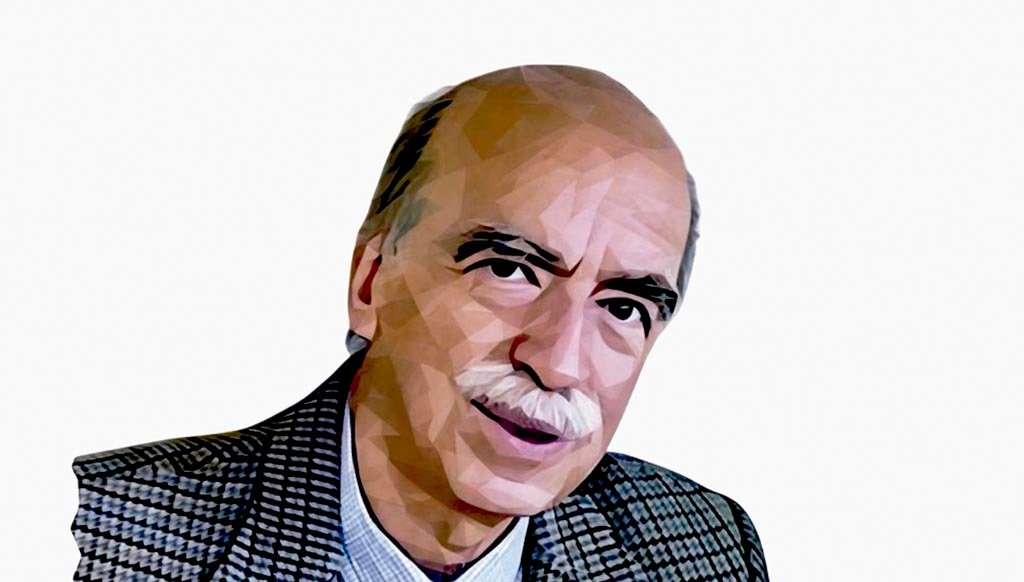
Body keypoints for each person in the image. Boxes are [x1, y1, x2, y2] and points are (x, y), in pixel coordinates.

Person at [72, 65, 768, 581]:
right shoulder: (105, 538)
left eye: (622, 308)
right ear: (370, 282)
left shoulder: (705, 550)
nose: (559, 362)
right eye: (509, 269)